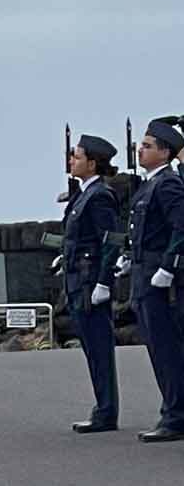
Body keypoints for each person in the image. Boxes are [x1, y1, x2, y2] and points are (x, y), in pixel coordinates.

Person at [123, 119, 184, 443]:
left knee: (167, 349)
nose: (140, 149)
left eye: (147, 146)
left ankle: (175, 416)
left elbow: (181, 227)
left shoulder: (168, 184)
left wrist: (168, 267)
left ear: (165, 152)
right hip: (142, 274)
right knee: (158, 350)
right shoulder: (148, 185)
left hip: (159, 278)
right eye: (141, 145)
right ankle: (172, 411)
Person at [63, 135, 122, 434]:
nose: (71, 160)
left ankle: (106, 412)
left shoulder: (99, 195)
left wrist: (104, 281)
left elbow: (110, 241)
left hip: (89, 281)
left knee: (99, 348)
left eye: (76, 156)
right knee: (91, 348)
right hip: (77, 277)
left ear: (92, 162)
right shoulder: (82, 193)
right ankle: (103, 407)